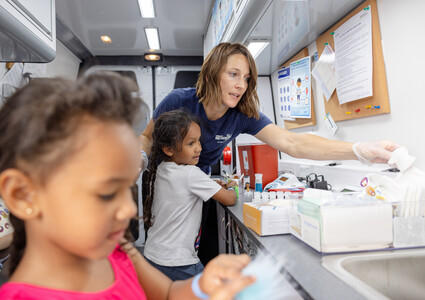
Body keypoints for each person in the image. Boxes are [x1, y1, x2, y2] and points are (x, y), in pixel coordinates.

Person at [139, 42, 400, 264]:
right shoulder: (179, 100)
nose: (241, 85)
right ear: (212, 73)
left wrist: (359, 150)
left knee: (203, 255)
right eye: (233, 74)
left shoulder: (241, 115)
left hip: (200, 187)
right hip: (167, 185)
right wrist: (137, 164)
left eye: (247, 78)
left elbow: (291, 142)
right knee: (164, 249)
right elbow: (147, 137)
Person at [0, 72, 254, 299]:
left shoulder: (117, 250)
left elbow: (168, 292)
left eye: (126, 189)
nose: (129, 210)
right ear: (23, 195)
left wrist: (201, 286)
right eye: (107, 192)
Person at [143, 109, 238, 281]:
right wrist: (234, 188)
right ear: (169, 149)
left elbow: (184, 190)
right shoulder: (191, 174)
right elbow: (229, 199)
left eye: (199, 141)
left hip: (153, 255)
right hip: (179, 261)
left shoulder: (163, 168)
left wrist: (210, 185)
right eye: (191, 143)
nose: (199, 148)